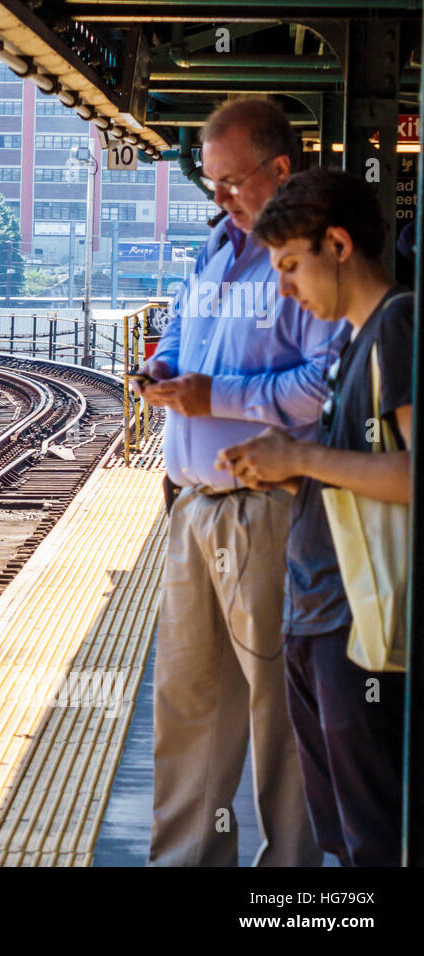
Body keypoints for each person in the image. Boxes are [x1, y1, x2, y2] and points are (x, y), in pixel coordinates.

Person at [134, 97, 339, 866]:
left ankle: (291, 883)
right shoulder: (213, 253)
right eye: (212, 184)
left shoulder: (307, 263)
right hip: (192, 508)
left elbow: (326, 384)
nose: (217, 198)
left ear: (278, 171)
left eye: (228, 183)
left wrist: (215, 397)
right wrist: (162, 369)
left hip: (269, 510)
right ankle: (189, 858)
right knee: (189, 707)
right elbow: (183, 339)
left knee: (277, 712)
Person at [217, 168, 417, 866]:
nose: (285, 288)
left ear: (337, 243)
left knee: (374, 839)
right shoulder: (354, 345)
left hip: (358, 626)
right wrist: (287, 459)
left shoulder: (398, 325)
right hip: (318, 615)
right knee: (341, 835)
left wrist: (297, 458)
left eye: (291, 265)